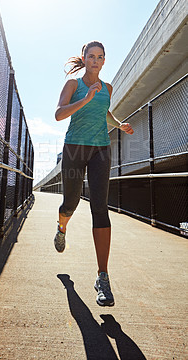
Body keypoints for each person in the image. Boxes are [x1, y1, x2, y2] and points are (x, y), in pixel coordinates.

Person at [54, 41, 134, 307]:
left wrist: (119, 124)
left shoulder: (108, 88)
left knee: (100, 209)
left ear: (103, 60)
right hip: (75, 147)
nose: (95, 61)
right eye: (91, 56)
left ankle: (103, 277)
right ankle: (61, 225)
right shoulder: (74, 86)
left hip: (101, 148)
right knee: (71, 203)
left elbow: (104, 113)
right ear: (84, 58)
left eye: (100, 57)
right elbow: (58, 114)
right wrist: (86, 98)